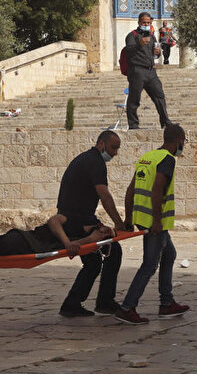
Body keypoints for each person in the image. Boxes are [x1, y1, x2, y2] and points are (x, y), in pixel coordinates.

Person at [114, 124, 190, 326]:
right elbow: (157, 191)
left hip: (141, 217)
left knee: (170, 254)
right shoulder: (167, 160)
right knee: (149, 264)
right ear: (179, 139)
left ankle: (167, 303)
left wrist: (129, 218)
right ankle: (128, 307)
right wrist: (156, 221)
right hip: (154, 222)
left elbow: (131, 189)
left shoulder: (147, 158)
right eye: (184, 142)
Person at [52, 130, 128, 318]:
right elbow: (104, 195)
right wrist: (119, 223)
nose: (115, 153)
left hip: (77, 218)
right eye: (113, 148)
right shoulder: (95, 162)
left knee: (94, 261)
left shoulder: (87, 159)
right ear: (101, 144)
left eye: (117, 149)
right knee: (112, 251)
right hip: (76, 222)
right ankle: (103, 302)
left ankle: (73, 303)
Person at [123, 12, 170, 130]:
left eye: (148, 23)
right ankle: (133, 124)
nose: (146, 24)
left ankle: (165, 122)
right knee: (134, 98)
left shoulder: (152, 36)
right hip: (137, 71)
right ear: (139, 22)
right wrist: (139, 44)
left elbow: (153, 55)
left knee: (159, 95)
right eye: (144, 22)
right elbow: (128, 51)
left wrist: (157, 53)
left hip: (150, 71)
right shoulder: (132, 36)